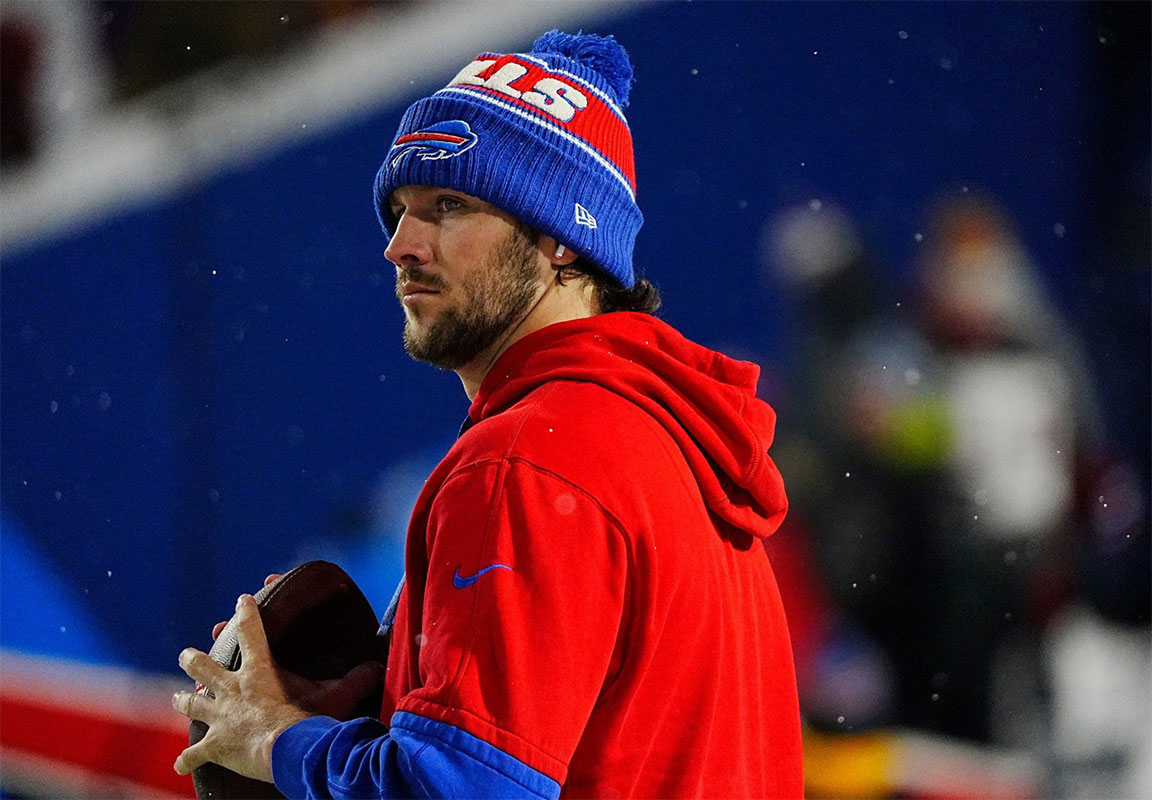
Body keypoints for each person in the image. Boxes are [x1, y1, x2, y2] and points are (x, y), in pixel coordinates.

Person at [171, 30, 803, 799]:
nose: (399, 245)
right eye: (399, 211)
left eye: (448, 205)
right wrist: (392, 693)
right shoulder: (671, 440)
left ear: (561, 238)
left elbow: (457, 792)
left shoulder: (527, 462)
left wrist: (282, 742)